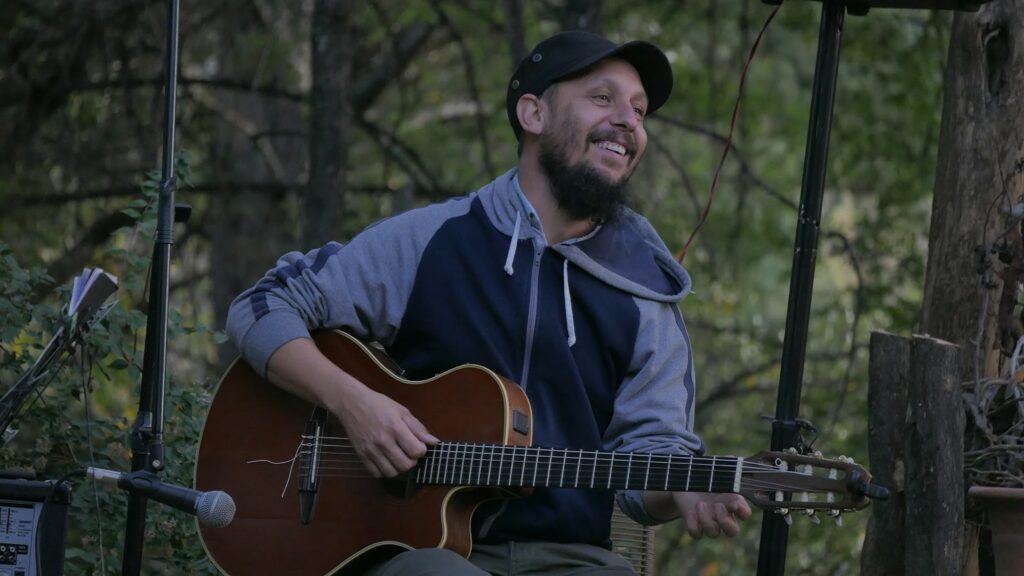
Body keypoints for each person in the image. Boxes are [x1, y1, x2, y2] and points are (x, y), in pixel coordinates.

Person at [226, 30, 751, 576]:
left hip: (572, 560)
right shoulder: (433, 239)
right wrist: (354, 404)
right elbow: (263, 305)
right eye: (603, 98)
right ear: (533, 114)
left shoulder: (646, 289)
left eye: (640, 112)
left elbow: (652, 454)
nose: (630, 121)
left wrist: (686, 494)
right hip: (415, 551)